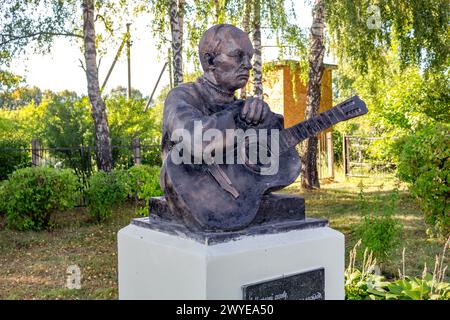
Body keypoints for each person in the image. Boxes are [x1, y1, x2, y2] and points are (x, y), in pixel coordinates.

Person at [160, 24, 272, 190]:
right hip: (191, 194)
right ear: (210, 60)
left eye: (249, 57)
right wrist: (240, 116)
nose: (248, 65)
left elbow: (265, 163)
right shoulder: (181, 97)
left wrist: (266, 121)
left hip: (234, 196)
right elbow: (197, 141)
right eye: (238, 56)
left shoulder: (240, 106)